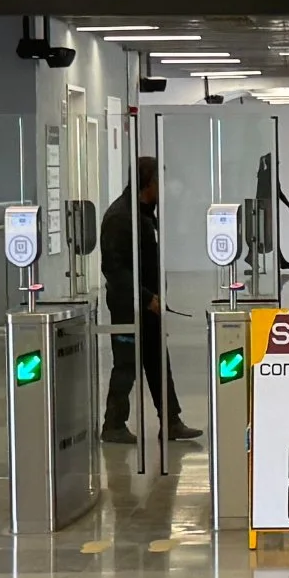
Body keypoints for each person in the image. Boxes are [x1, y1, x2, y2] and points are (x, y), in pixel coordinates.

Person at [99, 157, 199, 445]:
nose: (163, 187)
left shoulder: (144, 213)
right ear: (146, 183)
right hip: (128, 305)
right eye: (159, 181)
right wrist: (144, 298)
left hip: (150, 302)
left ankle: (171, 421)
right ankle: (114, 425)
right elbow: (114, 269)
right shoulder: (120, 217)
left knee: (157, 362)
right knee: (127, 365)